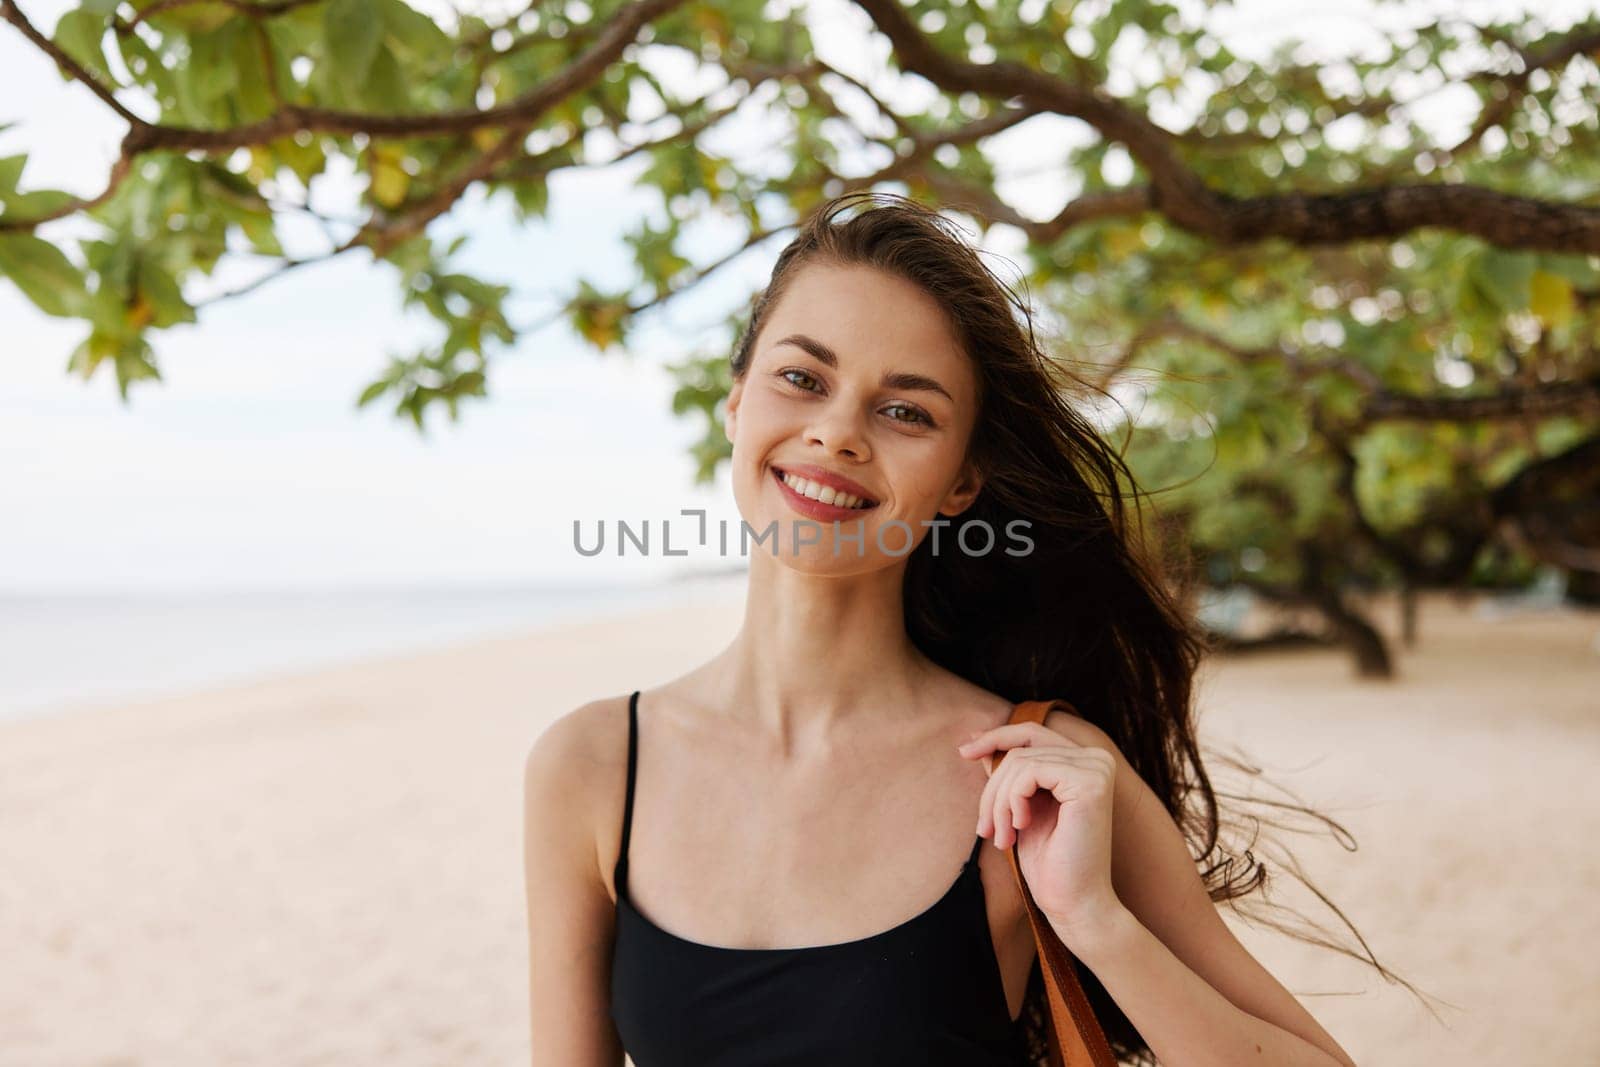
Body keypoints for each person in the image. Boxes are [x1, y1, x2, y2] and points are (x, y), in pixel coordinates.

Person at [522, 192, 1363, 1066]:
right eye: (803, 379)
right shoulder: (589, 766)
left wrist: (1095, 923)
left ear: (963, 481)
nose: (838, 433)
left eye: (906, 411)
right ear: (736, 405)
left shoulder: (1040, 771)